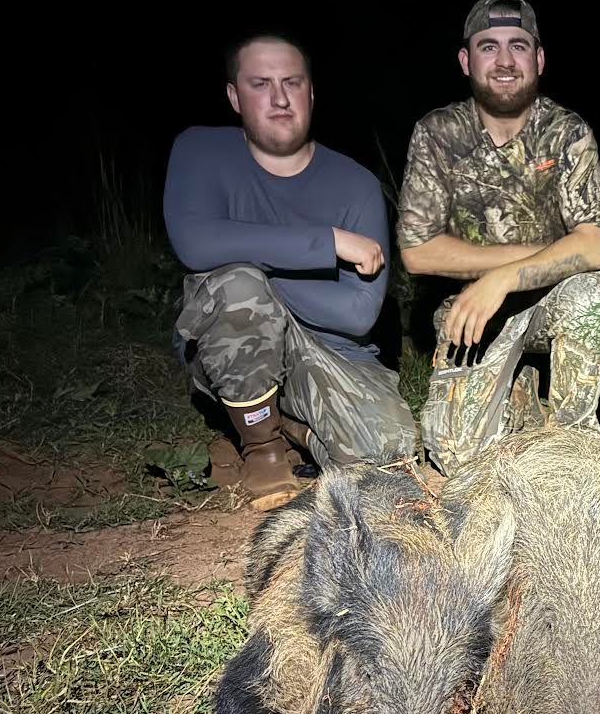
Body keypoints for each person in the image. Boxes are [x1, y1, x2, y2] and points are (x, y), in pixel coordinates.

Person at [163, 32, 416, 511]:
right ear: (234, 96)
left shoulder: (356, 184)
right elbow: (196, 243)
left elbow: (358, 314)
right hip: (236, 338)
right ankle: (263, 448)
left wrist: (262, 270)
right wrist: (327, 242)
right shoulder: (201, 150)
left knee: (388, 457)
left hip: (328, 349)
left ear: (311, 93)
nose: (279, 98)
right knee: (240, 288)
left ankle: (292, 428)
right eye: (260, 84)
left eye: (292, 83)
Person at [397, 0, 600, 475]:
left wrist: (503, 277)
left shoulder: (567, 131)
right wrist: (544, 253)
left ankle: (572, 449)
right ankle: (519, 390)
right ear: (466, 60)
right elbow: (418, 251)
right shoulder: (438, 133)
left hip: (548, 300)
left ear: (538, 59)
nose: (504, 61)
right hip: (471, 311)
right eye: (488, 47)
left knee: (588, 294)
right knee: (459, 461)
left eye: (518, 46)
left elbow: (598, 245)